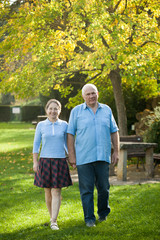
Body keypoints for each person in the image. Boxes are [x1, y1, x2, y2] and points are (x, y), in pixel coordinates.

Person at [67, 83, 119, 227]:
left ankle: (103, 214)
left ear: (98, 94)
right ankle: (89, 218)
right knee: (86, 190)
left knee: (104, 188)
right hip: (84, 158)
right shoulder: (76, 112)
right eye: (88, 94)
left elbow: (114, 131)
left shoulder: (107, 110)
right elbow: (70, 134)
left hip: (103, 156)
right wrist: (71, 155)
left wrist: (116, 151)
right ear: (83, 96)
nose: (91, 96)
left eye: (93, 93)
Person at [33, 99, 72, 230]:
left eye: (56, 108)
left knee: (56, 191)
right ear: (46, 110)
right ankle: (51, 217)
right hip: (44, 161)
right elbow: (36, 145)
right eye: (51, 108)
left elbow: (68, 144)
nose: (53, 111)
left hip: (60, 161)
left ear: (59, 111)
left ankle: (54, 221)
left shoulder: (65, 125)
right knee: (48, 192)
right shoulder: (41, 125)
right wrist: (35, 161)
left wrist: (72, 158)